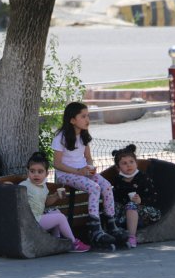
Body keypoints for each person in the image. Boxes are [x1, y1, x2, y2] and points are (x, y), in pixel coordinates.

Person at [51, 101, 127, 246]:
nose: (87, 120)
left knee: (106, 186)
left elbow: (88, 157)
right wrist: (78, 171)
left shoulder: (83, 136)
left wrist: (90, 167)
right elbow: (57, 163)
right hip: (66, 174)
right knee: (94, 187)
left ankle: (111, 224)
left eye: (88, 116)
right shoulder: (60, 138)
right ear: (72, 120)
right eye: (83, 116)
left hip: (82, 172)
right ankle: (95, 228)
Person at [20, 152, 90, 253]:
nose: (36, 174)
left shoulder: (43, 186)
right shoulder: (24, 185)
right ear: (28, 172)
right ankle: (73, 243)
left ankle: (55, 240)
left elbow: (46, 202)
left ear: (46, 174)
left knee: (57, 212)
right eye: (32, 171)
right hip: (31, 221)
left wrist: (55, 196)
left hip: (38, 217)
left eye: (40, 172)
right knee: (60, 218)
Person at [111, 144, 162, 248]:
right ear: (118, 167)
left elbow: (153, 197)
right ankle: (113, 233)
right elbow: (116, 197)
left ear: (136, 163)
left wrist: (141, 201)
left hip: (146, 211)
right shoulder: (118, 180)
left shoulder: (143, 178)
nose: (128, 165)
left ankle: (131, 236)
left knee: (131, 206)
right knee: (113, 206)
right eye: (124, 163)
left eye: (131, 162)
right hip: (125, 211)